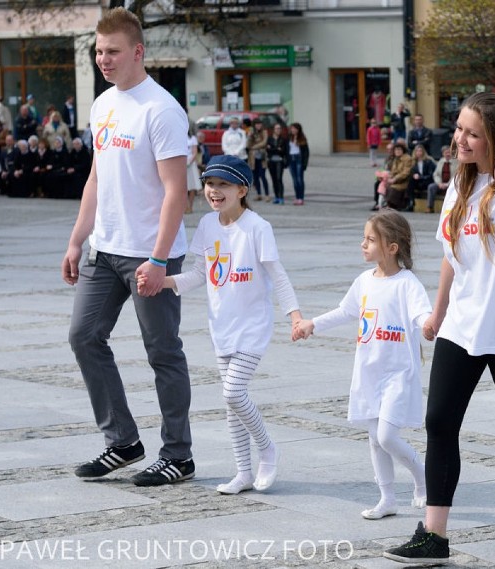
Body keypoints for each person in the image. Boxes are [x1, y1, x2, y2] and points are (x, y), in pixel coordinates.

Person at [384, 92, 495, 565]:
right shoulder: (459, 188)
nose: (459, 138)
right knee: (439, 422)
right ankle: (434, 535)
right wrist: (437, 314)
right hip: (462, 325)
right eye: (459, 128)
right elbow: (450, 257)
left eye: (472, 132)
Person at [61, 7, 195, 487]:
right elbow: (97, 177)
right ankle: (122, 442)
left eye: (112, 51)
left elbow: (177, 192)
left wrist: (159, 259)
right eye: (98, 51)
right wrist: (78, 239)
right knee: (83, 336)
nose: (103, 59)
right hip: (105, 248)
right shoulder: (102, 105)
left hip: (149, 252)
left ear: (138, 52)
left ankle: (178, 455)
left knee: (163, 352)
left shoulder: (161, 109)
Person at [154, 155, 301, 495]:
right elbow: (199, 274)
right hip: (221, 326)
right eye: (210, 184)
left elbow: (278, 277)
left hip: (252, 326)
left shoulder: (257, 228)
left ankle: (267, 448)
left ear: (242, 189)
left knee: (233, 392)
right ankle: (243, 473)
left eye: (223, 185)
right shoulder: (207, 225)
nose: (214, 191)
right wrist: (162, 281)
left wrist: (294, 315)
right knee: (231, 404)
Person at [293, 210, 430, 519]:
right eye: (364, 238)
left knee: (386, 436)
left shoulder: (407, 284)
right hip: (369, 372)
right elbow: (345, 311)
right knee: (374, 439)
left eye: (370, 239)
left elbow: (422, 315)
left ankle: (421, 475)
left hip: (398, 373)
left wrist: (428, 326)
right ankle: (387, 498)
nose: (363, 244)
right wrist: (311, 323)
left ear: (392, 247)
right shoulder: (364, 281)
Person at [426, 146, 457, 213]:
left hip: (452, 184)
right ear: (443, 154)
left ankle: (451, 209)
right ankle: (430, 207)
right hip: (440, 184)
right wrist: (439, 183)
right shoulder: (441, 161)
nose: (448, 154)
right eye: (446, 153)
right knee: (431, 187)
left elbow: (456, 175)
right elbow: (436, 174)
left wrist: (447, 184)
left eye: (449, 152)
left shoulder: (457, 162)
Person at [407, 144, 436, 212]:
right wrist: (414, 175)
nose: (419, 153)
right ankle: (411, 202)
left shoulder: (429, 161)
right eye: (417, 151)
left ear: (423, 152)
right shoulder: (413, 162)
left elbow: (431, 174)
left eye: (420, 151)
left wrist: (420, 177)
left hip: (427, 181)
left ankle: (428, 207)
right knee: (410, 182)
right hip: (418, 182)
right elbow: (411, 172)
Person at [384, 141, 412, 211]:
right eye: (396, 150)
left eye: (399, 150)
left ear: (403, 150)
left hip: (404, 181)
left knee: (393, 188)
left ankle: (392, 205)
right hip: (396, 180)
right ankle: (386, 204)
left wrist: (395, 179)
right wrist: (390, 176)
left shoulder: (407, 159)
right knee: (384, 184)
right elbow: (393, 170)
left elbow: (405, 172)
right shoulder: (396, 159)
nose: (397, 151)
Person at [246, 118, 269, 201]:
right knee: (255, 177)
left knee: (263, 176)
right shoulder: (252, 133)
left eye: (260, 124)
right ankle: (259, 194)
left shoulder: (264, 132)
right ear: (254, 125)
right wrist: (249, 136)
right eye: (257, 124)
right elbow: (247, 145)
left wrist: (254, 147)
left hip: (262, 158)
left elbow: (264, 142)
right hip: (253, 158)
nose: (258, 125)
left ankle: (267, 194)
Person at [287, 122, 309, 205]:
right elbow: (286, 149)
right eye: (292, 128)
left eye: (295, 128)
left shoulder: (302, 138)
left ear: (298, 130)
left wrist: (305, 163)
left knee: (300, 179)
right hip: (291, 159)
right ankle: (297, 197)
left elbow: (306, 152)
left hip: (299, 159)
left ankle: (301, 198)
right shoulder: (289, 138)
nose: (293, 130)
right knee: (295, 180)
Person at [266, 123, 288, 204]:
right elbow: (268, 150)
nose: (278, 130)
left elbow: (283, 151)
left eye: (279, 128)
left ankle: (281, 197)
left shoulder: (283, 139)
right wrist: (276, 149)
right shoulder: (269, 138)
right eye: (277, 128)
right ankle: (276, 197)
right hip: (271, 161)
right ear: (273, 130)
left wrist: (273, 148)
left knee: (279, 179)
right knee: (274, 179)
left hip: (279, 161)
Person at [185, 125, 202, 214]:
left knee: (191, 187)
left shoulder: (192, 138)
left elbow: (194, 152)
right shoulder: (178, 137)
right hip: (181, 164)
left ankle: (190, 206)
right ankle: (185, 206)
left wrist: (189, 161)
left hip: (190, 164)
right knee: (183, 187)